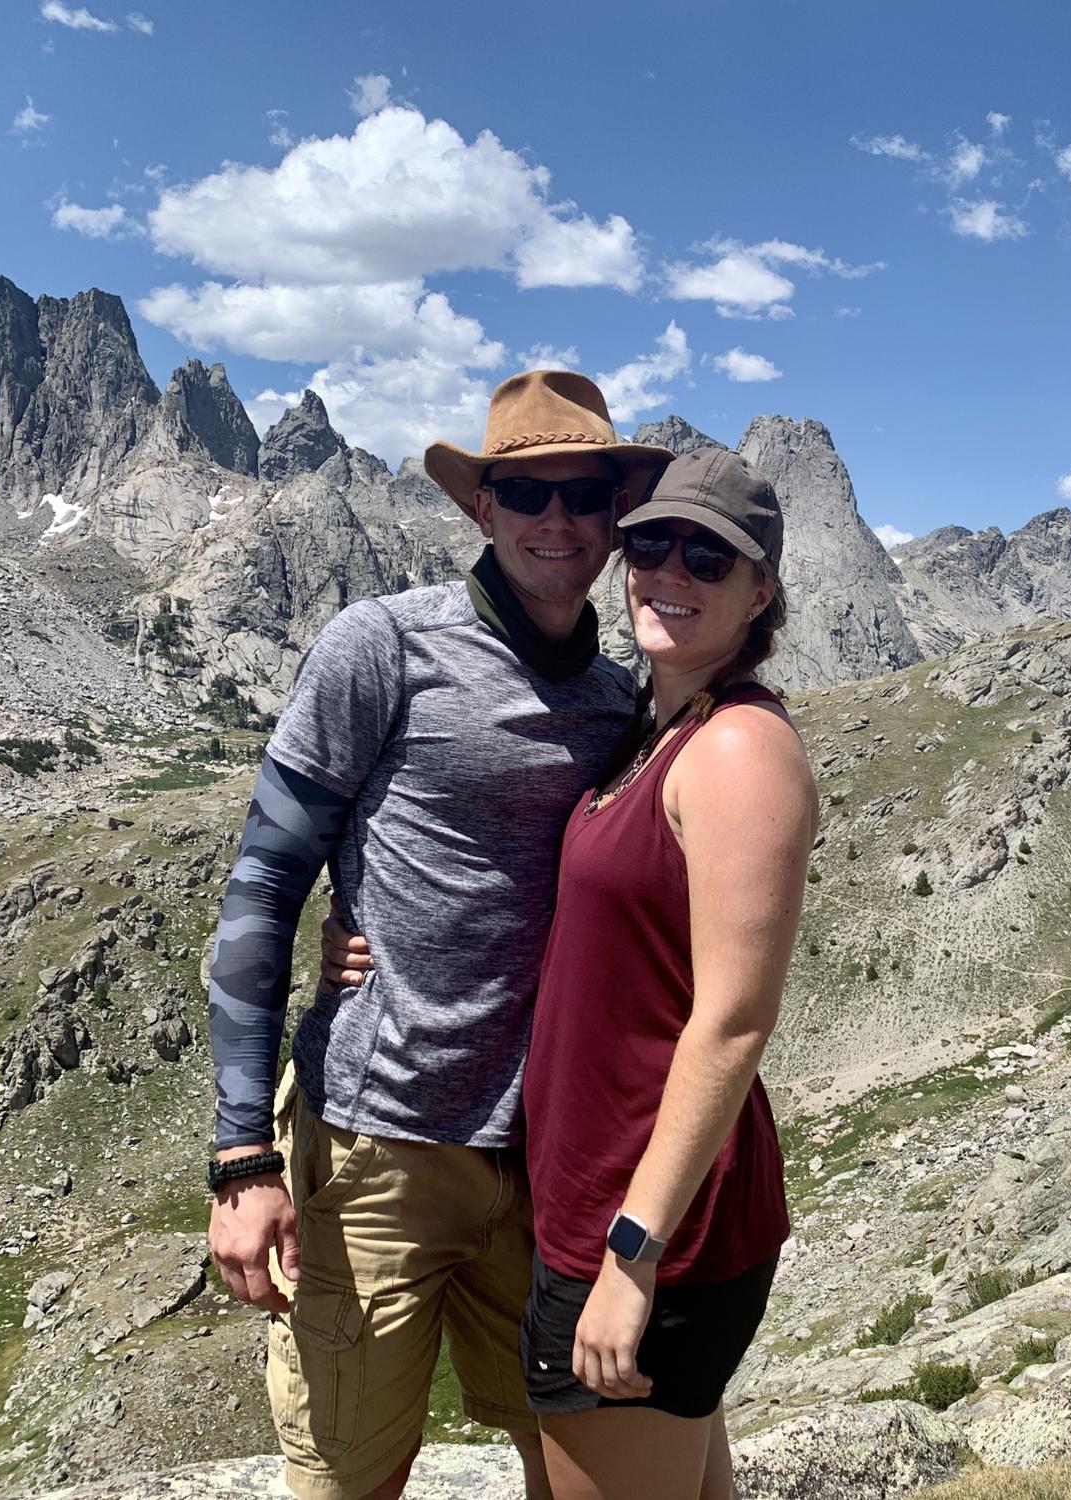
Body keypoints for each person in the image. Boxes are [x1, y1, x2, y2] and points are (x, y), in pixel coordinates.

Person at [204, 369, 675, 1500]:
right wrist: (239, 1158)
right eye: (526, 495)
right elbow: (265, 885)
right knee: (348, 1474)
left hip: (553, 1160)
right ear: (483, 508)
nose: (556, 521)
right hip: (381, 1148)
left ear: (616, 515)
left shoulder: (627, 702)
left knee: (577, 1462)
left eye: (584, 494)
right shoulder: (380, 647)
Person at [324, 449, 818, 1500]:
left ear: (759, 588)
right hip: (605, 1201)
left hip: (646, 1228)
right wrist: (360, 924)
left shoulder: (734, 749)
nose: (667, 571)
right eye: (649, 545)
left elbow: (732, 1024)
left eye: (707, 556)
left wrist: (629, 1260)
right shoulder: (651, 732)